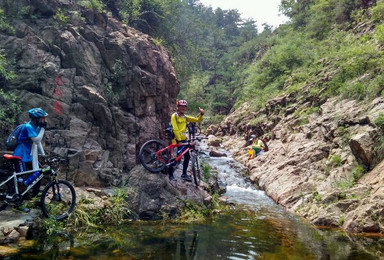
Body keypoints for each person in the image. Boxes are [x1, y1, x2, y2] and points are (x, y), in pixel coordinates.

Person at [13, 108, 48, 212]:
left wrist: (44, 155)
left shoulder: (35, 126)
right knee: (21, 180)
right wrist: (43, 129)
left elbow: (38, 142)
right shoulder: (28, 126)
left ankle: (34, 197)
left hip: (29, 155)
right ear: (37, 118)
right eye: (43, 118)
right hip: (20, 155)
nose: (45, 121)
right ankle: (18, 204)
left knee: (40, 172)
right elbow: (37, 140)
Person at [169, 100, 204, 181]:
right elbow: (175, 128)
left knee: (187, 156)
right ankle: (170, 176)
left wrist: (201, 114)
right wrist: (179, 140)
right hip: (175, 140)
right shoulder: (174, 116)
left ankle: (184, 174)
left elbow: (196, 119)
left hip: (183, 140)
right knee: (173, 157)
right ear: (178, 107)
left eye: (184, 107)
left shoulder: (185, 117)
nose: (182, 108)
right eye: (181, 106)